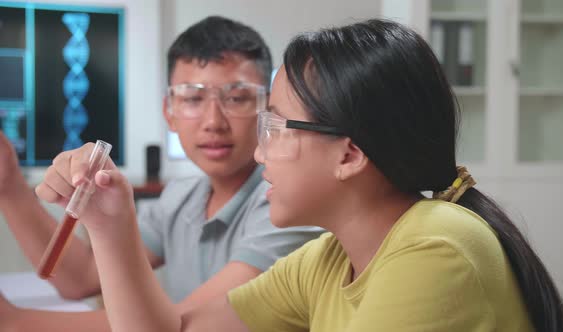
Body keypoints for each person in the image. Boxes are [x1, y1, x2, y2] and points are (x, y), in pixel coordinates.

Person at [11, 19, 563, 332]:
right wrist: (112, 224)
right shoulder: (327, 259)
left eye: (275, 127)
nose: (259, 153)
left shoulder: (436, 250)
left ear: (349, 154)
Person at [0, 16, 322, 332]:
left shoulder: (284, 203)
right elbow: (80, 278)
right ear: (169, 111)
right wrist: (9, 182)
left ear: (267, 109)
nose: (213, 121)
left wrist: (16, 323)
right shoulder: (182, 197)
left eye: (237, 98)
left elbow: (179, 325)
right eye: (193, 98)